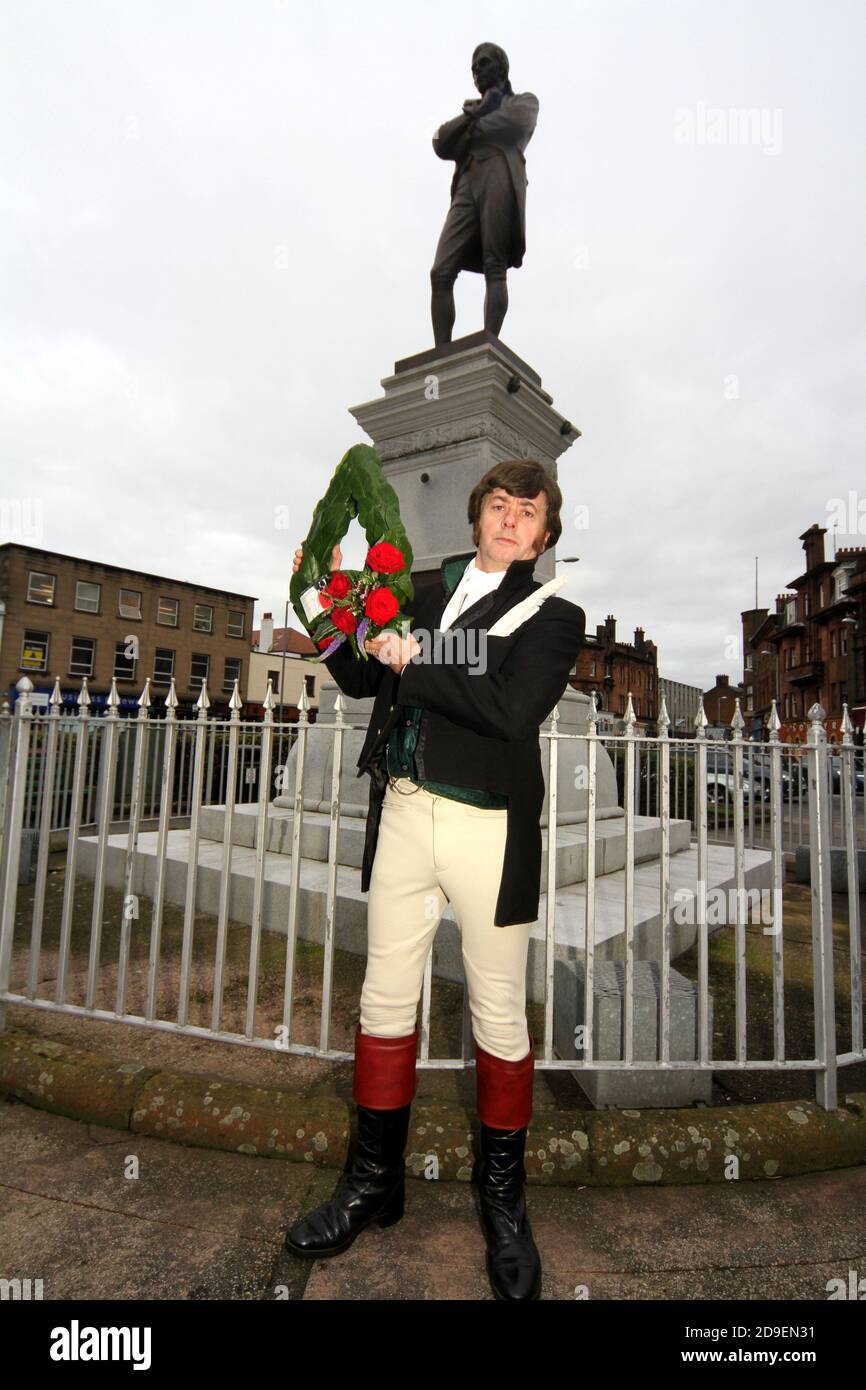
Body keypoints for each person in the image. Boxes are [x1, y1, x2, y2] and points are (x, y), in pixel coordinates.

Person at [285, 458, 585, 1300]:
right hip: (406, 815)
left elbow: (509, 707)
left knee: (496, 1011)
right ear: (477, 515)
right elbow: (361, 674)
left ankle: (504, 1207)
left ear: (546, 533)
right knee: (383, 999)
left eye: (529, 512)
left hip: (487, 825)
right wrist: (321, 606)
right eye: (498, 505)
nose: (511, 520)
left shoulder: (555, 613)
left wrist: (416, 659)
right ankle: (374, 1183)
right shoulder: (418, 588)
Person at [430, 42, 539, 345]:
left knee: (495, 264)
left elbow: (514, 124)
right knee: (440, 271)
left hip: (498, 174)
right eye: (474, 67)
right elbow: (439, 141)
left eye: (484, 63)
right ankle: (443, 355)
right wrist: (474, 114)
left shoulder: (525, 102)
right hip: (467, 183)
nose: (478, 70)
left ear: (501, 68)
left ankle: (488, 346)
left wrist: (472, 125)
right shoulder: (471, 111)